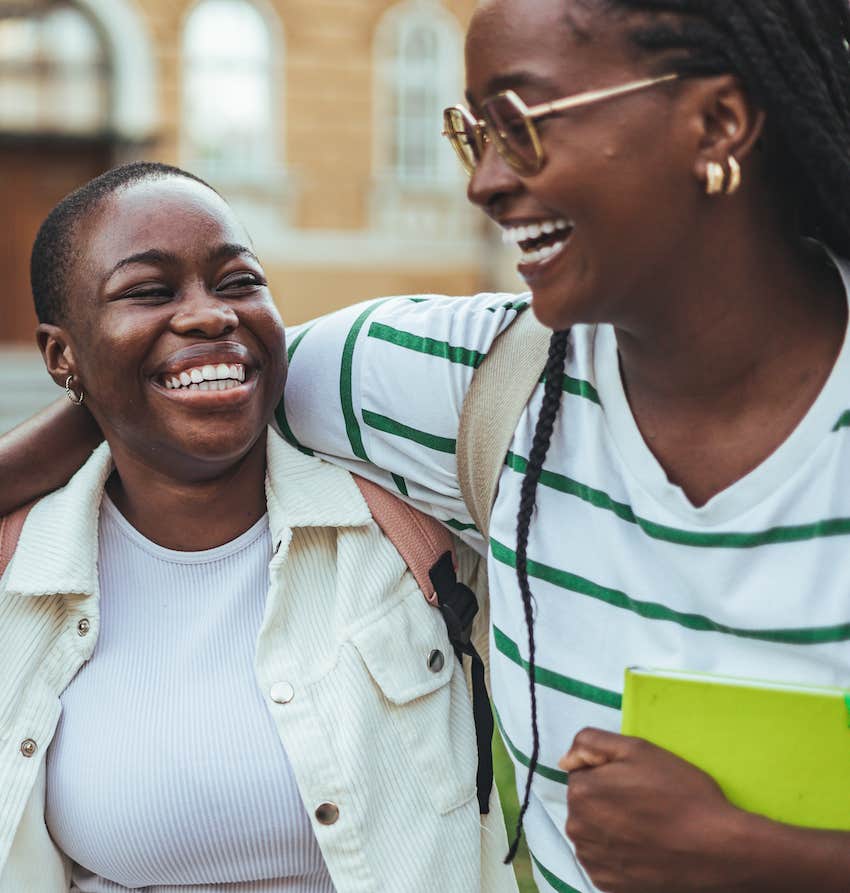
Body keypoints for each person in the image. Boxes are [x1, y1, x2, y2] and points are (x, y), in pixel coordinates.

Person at [5, 1, 850, 890]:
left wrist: (758, 857)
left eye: (521, 123)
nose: (483, 184)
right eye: (471, 134)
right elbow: (191, 386)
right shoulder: (457, 381)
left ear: (715, 122)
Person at [0, 162, 518, 893]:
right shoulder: (20, 576)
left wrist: (152, 372)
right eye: (149, 291)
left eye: (239, 282)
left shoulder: (405, 524)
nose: (210, 314)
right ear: (60, 353)